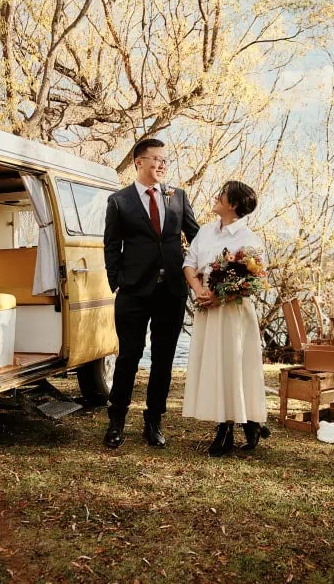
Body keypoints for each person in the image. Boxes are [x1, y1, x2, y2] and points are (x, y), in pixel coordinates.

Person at [102, 138, 200, 449]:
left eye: (164, 160)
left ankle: (154, 421)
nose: (160, 165)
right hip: (133, 291)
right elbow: (111, 246)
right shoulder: (119, 201)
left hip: (171, 291)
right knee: (129, 356)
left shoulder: (178, 197)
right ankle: (116, 421)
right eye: (154, 159)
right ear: (138, 162)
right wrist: (115, 281)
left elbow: (196, 238)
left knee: (163, 360)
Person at [181, 181, 269, 456]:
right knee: (215, 366)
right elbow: (189, 263)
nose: (215, 197)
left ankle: (229, 428)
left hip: (234, 313)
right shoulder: (206, 231)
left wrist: (220, 297)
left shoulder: (250, 241)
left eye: (221, 195)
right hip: (207, 309)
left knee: (235, 366)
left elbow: (252, 282)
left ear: (232, 204)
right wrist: (199, 291)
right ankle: (246, 422)